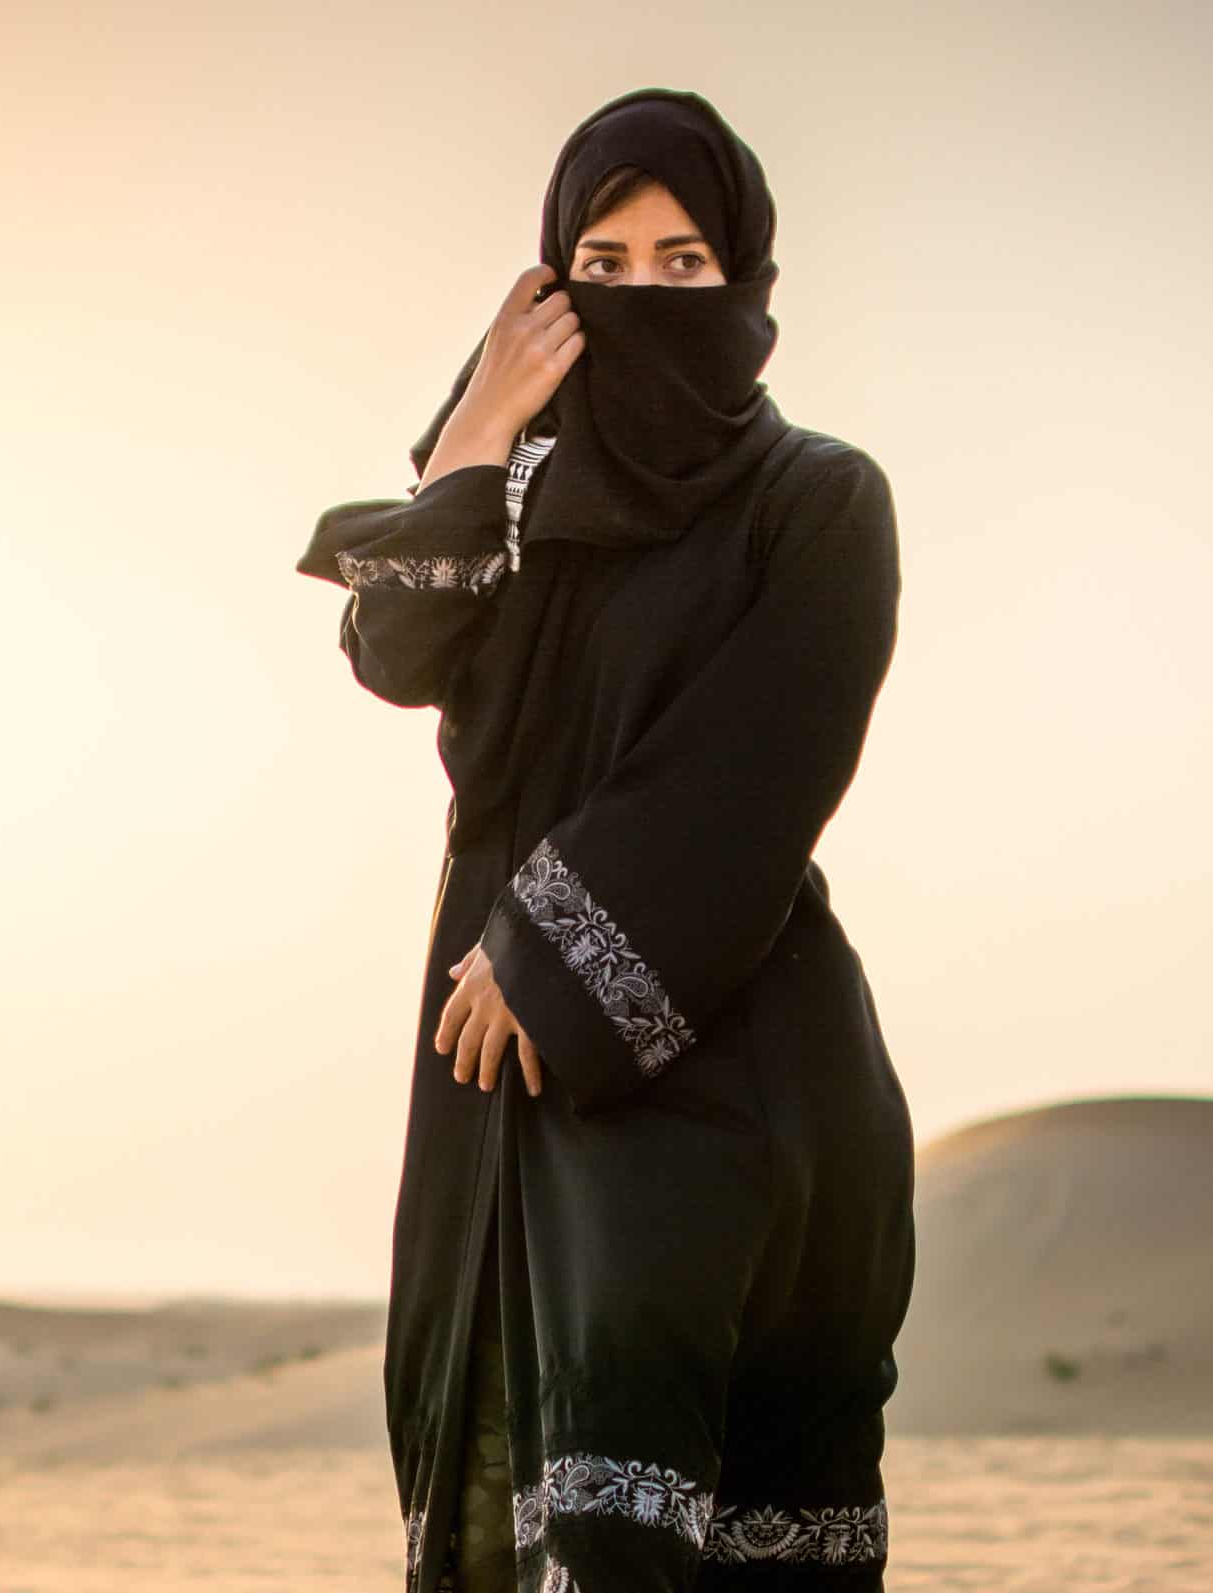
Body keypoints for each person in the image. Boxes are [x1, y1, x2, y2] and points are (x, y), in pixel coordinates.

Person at [295, 86, 915, 1593]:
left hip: (732, 1062)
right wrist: (478, 426)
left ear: (749, 283)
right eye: (607, 264)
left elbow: (758, 764)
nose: (645, 295)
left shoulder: (815, 499)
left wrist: (542, 951)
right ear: (547, 292)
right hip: (498, 1071)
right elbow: (398, 651)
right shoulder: (510, 498)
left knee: (673, 1508)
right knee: (514, 1484)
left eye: (685, 265)